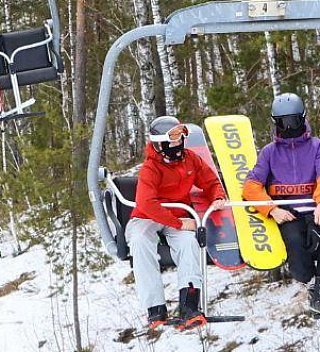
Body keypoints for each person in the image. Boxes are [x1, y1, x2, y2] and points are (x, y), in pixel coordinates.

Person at [127, 115, 226, 330]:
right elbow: (147, 203)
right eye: (172, 140)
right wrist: (179, 223)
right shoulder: (150, 168)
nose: (178, 144)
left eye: (181, 138)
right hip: (148, 217)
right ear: (160, 143)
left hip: (179, 214)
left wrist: (217, 196)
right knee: (140, 241)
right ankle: (155, 309)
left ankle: (189, 306)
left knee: (189, 243)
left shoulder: (190, 159)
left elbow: (210, 181)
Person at [243, 93, 320, 314]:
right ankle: (310, 282)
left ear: (302, 118)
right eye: (283, 123)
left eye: (293, 121)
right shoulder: (269, 152)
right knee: (295, 240)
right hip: (287, 210)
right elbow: (251, 186)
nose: (288, 128)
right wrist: (272, 209)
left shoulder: (316, 146)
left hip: (313, 206)